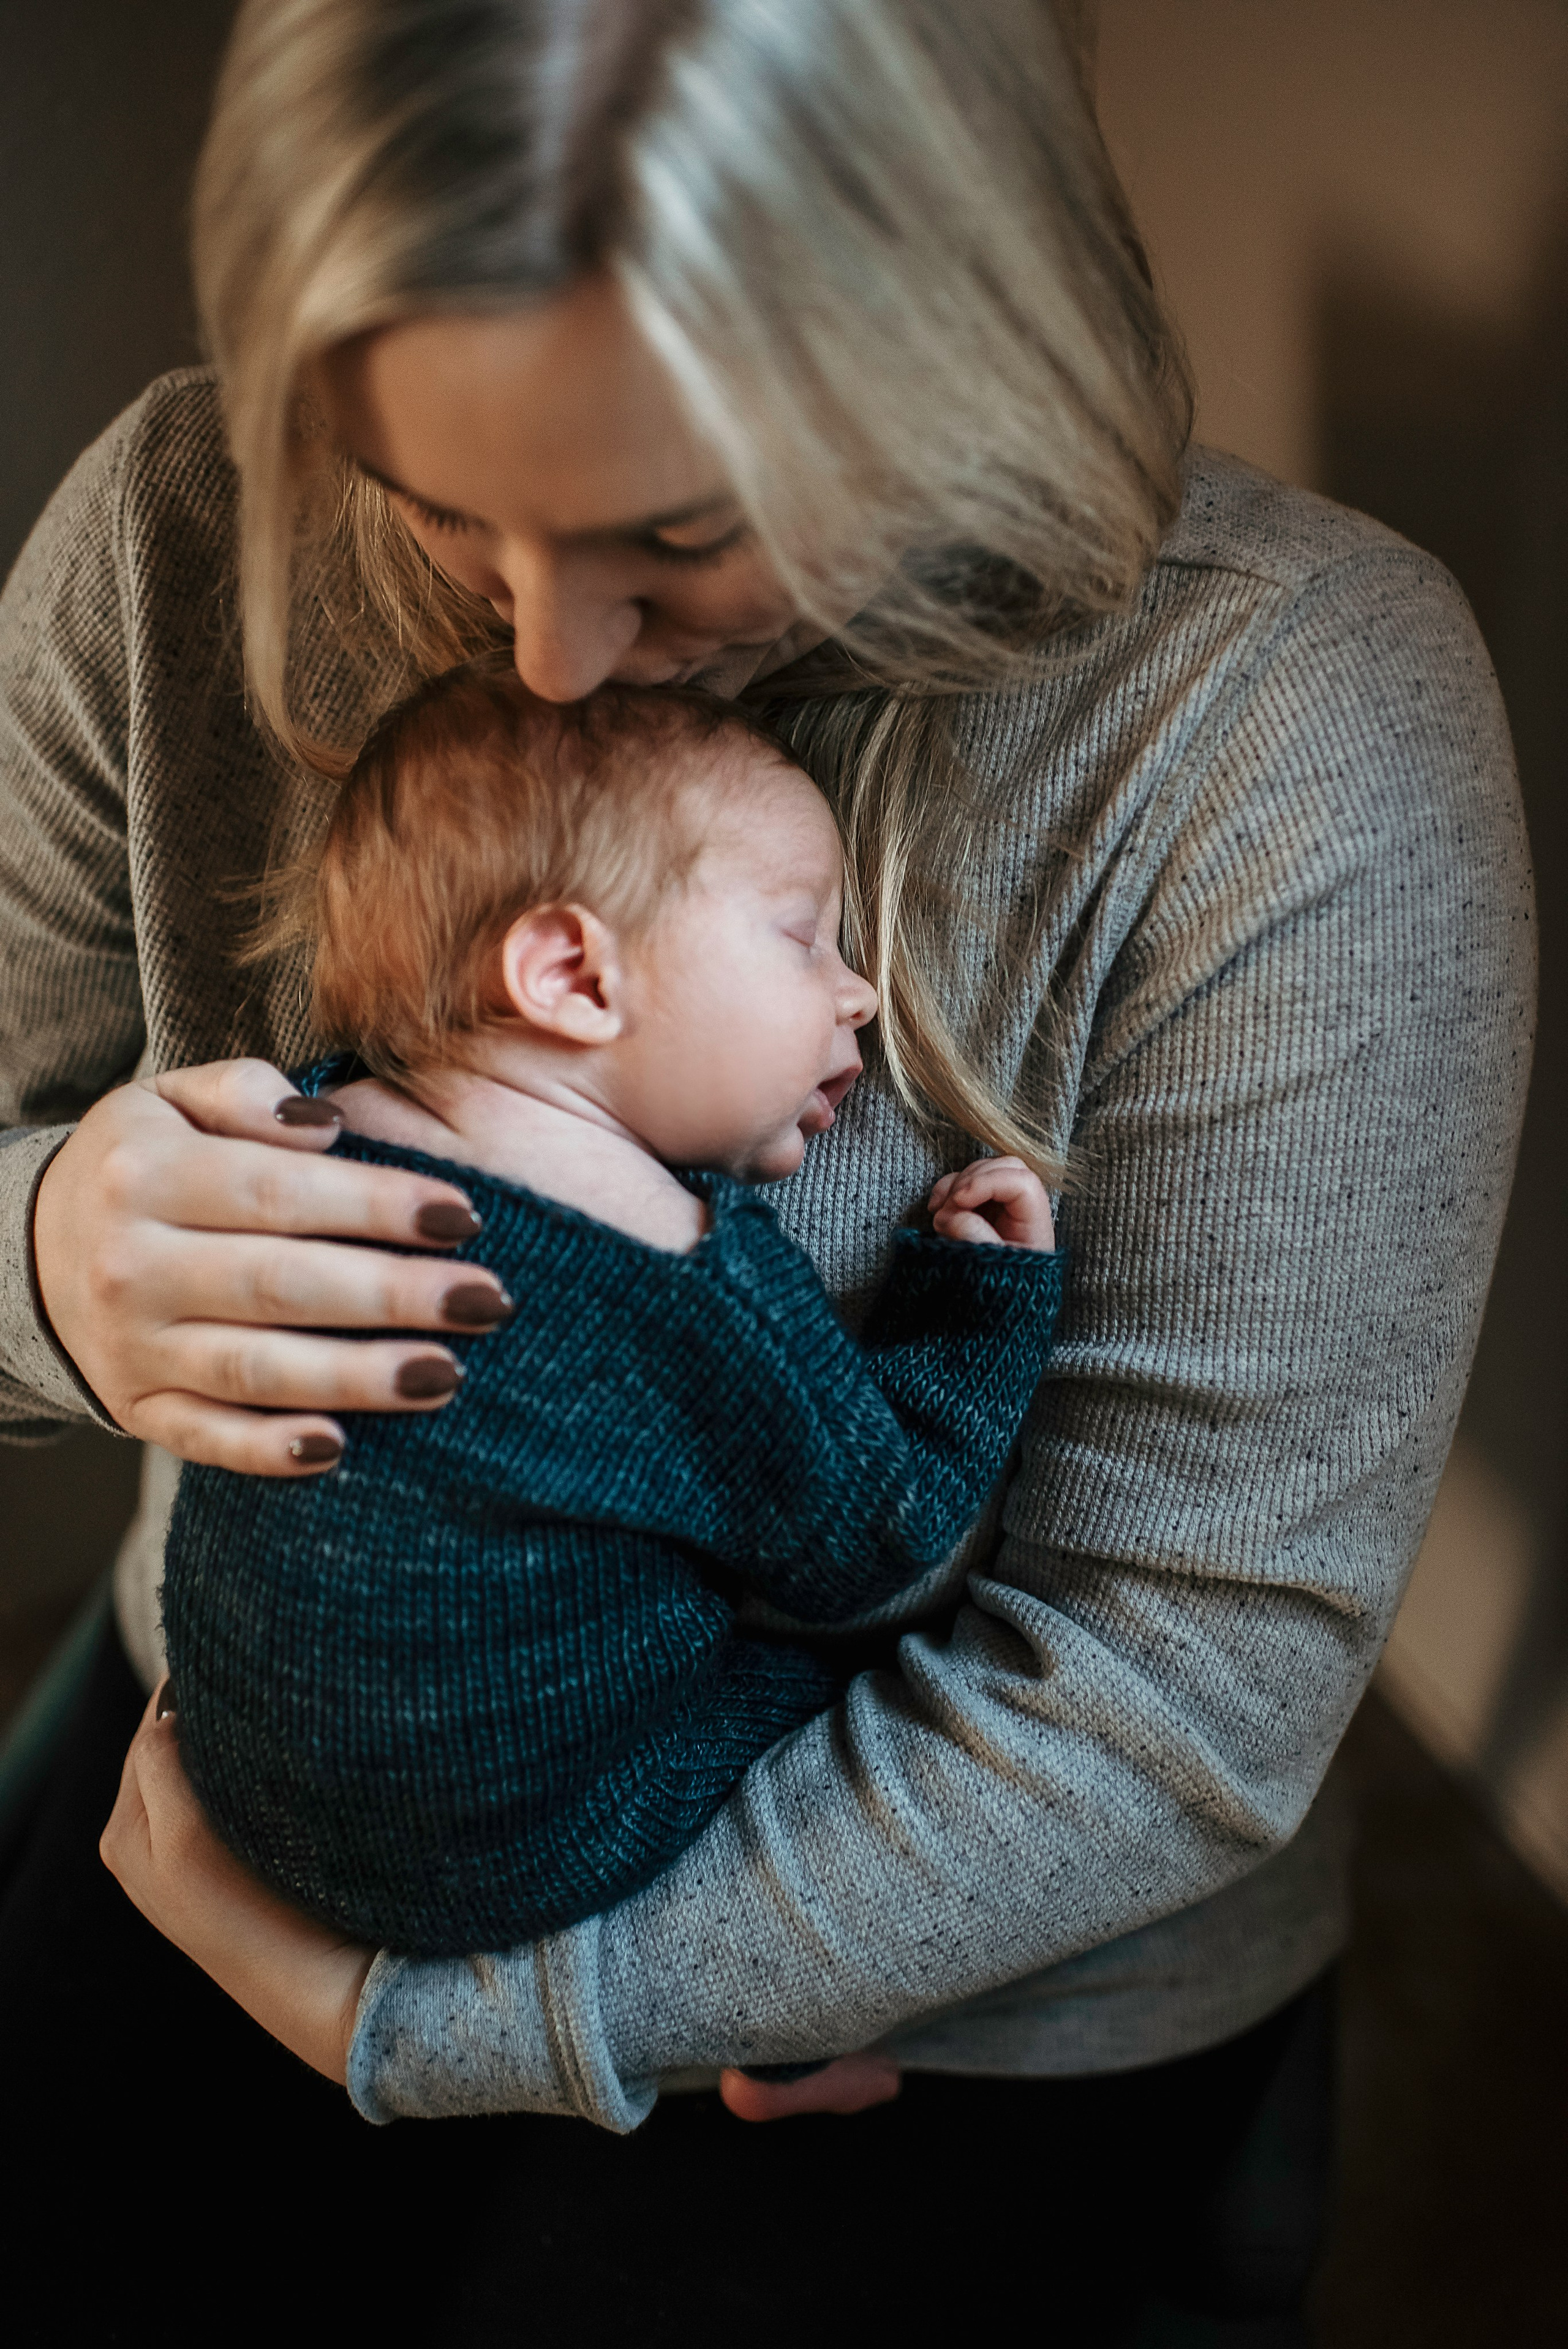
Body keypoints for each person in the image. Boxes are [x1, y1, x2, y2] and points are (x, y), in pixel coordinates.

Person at [0, 2, 1531, 2342]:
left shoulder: (1299, 727)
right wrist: (47, 1257)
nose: (547, 644)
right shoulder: (172, 531)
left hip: (943, 1962)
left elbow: (1180, 1686)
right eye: (430, 498)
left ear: (958, 344)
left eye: (681, 530)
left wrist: (458, 2021)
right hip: (243, 1749)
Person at [160, 659, 1061, 1959]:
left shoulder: (293, 1134)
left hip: (238, 1784)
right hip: (517, 1851)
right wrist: (973, 1301)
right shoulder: (685, 1270)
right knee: (853, 1691)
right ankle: (812, 2029)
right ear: (574, 976)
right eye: (802, 936)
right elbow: (882, 1532)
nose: (854, 992)